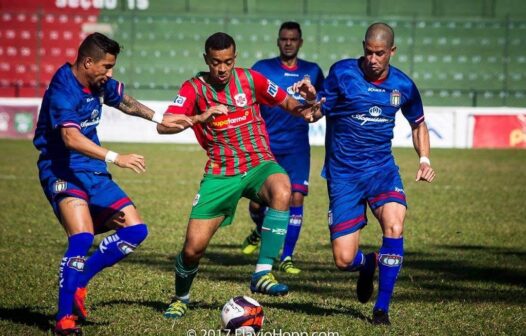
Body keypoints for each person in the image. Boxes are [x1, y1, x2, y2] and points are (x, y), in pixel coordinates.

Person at [33, 32, 192, 335]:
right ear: (88, 62)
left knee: (136, 230)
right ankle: (64, 319)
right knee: (81, 238)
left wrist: (160, 117)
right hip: (62, 169)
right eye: (106, 67)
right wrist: (115, 157)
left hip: (92, 170)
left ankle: (79, 281)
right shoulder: (63, 89)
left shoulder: (99, 82)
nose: (110, 73)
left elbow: (125, 102)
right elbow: (70, 137)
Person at [157, 32, 323, 320]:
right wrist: (199, 117)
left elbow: (289, 104)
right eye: (216, 62)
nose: (222, 68)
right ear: (206, 59)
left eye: (228, 61)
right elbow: (164, 125)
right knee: (193, 249)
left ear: (235, 58)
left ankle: (262, 272)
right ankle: (181, 297)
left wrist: (310, 105)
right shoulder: (194, 88)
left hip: (259, 164)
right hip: (222, 172)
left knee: (284, 189)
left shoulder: (251, 79)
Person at [296, 22, 436, 325]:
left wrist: (424, 159)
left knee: (395, 227)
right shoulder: (343, 73)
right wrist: (310, 100)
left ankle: (381, 309)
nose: (373, 59)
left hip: (382, 171)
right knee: (344, 259)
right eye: (369, 52)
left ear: (392, 52)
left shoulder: (403, 85)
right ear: (363, 48)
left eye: (380, 54)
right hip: (344, 175)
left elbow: (418, 123)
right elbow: (316, 112)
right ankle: (369, 262)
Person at [240, 21, 325, 275]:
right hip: (265, 145)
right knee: (257, 204)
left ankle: (286, 256)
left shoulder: (313, 71)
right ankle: (259, 228)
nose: (288, 43)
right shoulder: (262, 69)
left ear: (300, 42)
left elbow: (318, 108)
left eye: (293, 39)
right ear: (278, 41)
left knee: (295, 197)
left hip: (297, 146)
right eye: (284, 39)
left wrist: (313, 106)